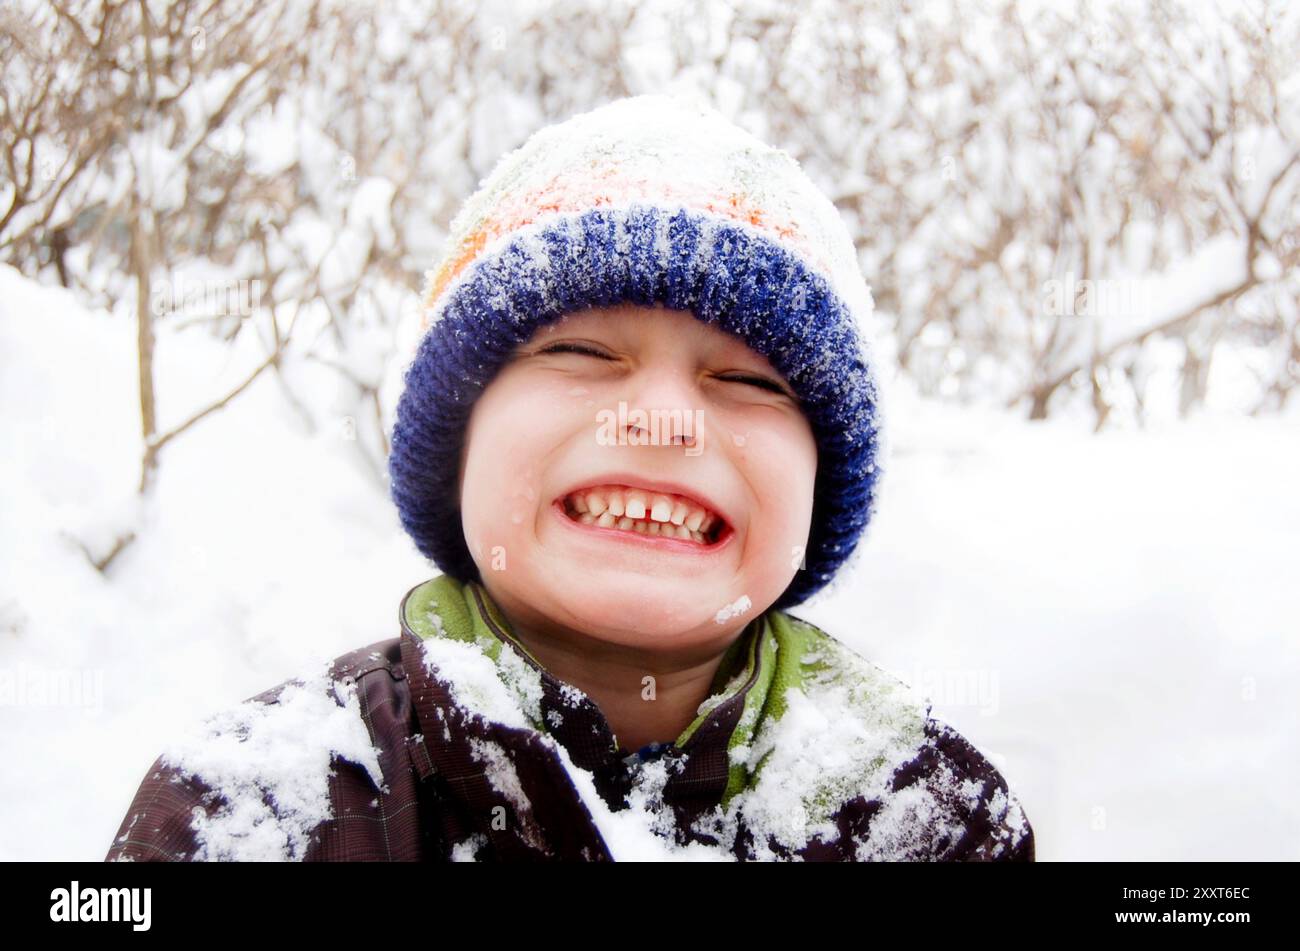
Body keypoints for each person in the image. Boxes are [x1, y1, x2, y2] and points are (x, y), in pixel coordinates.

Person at [105, 94, 1034, 862]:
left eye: (748, 378)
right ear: (457, 440)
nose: (663, 419)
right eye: (584, 350)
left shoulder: (938, 822)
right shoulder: (251, 813)